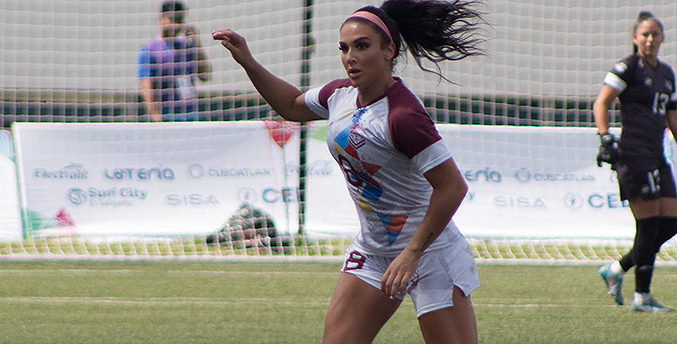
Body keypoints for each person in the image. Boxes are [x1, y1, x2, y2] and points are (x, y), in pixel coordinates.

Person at [213, 0, 484, 342]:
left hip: (429, 254)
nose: (350, 56)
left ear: (389, 50)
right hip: (373, 252)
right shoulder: (340, 94)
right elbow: (291, 106)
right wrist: (248, 62)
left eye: (362, 46)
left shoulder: (403, 117)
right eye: (344, 48)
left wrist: (412, 252)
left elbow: (452, 188)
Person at [595, 11, 677, 313]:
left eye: (655, 33)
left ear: (663, 37)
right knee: (648, 225)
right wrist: (604, 137)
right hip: (633, 154)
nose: (650, 39)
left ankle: (618, 268)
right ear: (635, 38)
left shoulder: (667, 73)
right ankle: (642, 297)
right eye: (645, 34)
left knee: (671, 221)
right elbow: (601, 101)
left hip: (658, 154)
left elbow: (672, 115)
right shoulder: (627, 67)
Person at [138, 1, 212, 122]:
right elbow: (147, 87)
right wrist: (156, 117)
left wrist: (197, 43)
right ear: (160, 19)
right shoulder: (149, 51)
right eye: (172, 19)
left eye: (179, 20)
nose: (176, 25)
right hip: (167, 116)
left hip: (191, 116)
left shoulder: (187, 46)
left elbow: (205, 76)